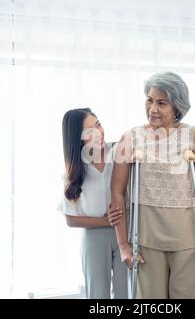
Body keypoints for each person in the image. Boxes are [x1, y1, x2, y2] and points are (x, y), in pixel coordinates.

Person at [109, 72, 195, 299]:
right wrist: (123, 245)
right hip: (147, 241)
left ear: (177, 106)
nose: (152, 109)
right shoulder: (130, 138)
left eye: (161, 103)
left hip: (190, 240)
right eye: (149, 100)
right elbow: (117, 191)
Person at [60, 107, 127, 299]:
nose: (98, 133)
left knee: (127, 293)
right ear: (78, 138)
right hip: (94, 238)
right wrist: (108, 221)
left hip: (125, 234)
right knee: (98, 295)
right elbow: (71, 220)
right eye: (89, 131)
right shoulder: (73, 173)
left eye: (98, 125)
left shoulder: (120, 155)